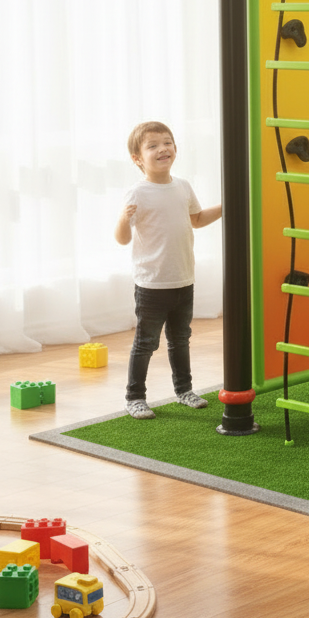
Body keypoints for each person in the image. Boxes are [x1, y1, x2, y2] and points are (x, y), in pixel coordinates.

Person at [114, 121, 221, 419]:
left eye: (167, 142)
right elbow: (122, 239)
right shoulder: (137, 193)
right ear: (137, 158)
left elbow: (197, 219)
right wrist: (123, 219)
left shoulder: (183, 187)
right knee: (146, 343)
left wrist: (228, 205)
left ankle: (184, 390)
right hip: (152, 285)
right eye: (152, 146)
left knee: (180, 339)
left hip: (183, 279)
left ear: (175, 148)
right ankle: (134, 397)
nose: (162, 149)